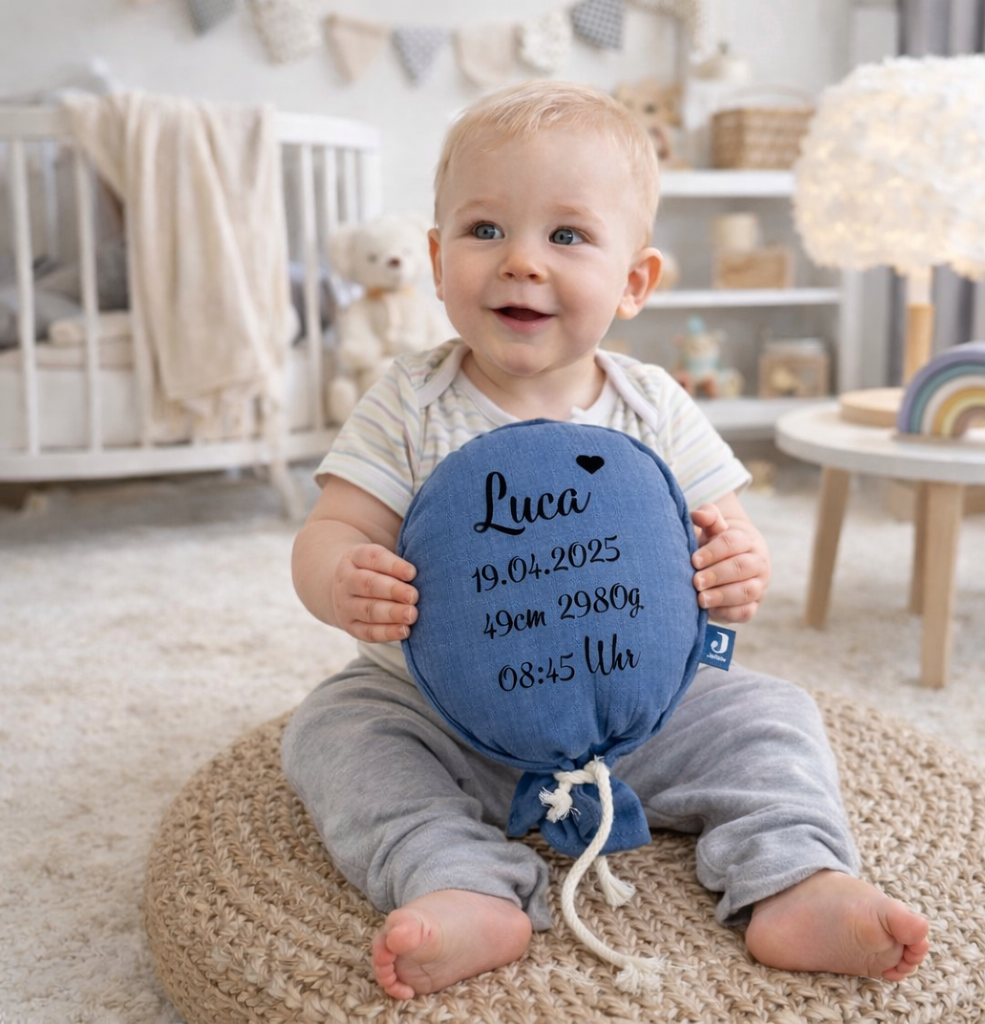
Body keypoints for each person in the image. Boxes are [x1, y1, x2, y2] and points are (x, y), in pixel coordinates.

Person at [283, 80, 930, 1001]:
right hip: (440, 712)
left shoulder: (651, 404)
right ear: (434, 259)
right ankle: (456, 879)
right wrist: (342, 575)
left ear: (634, 281)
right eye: (483, 231)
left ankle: (793, 874)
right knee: (335, 732)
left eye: (567, 236)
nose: (520, 263)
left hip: (644, 714)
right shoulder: (408, 402)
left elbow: (723, 529)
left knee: (771, 715)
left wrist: (739, 566)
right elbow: (333, 526)